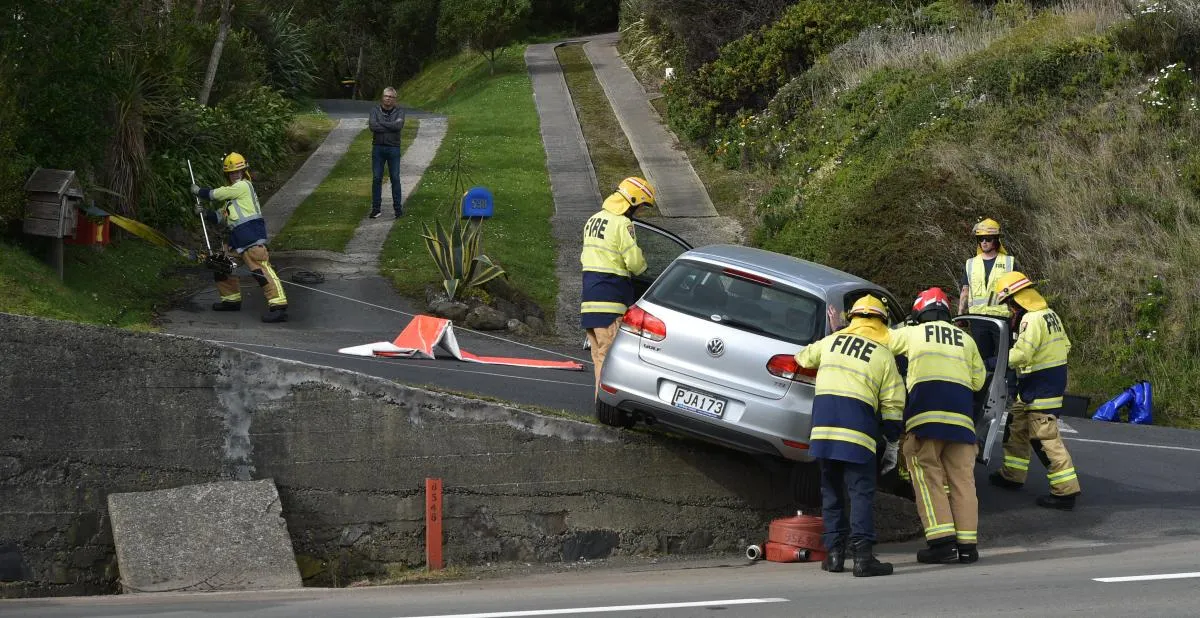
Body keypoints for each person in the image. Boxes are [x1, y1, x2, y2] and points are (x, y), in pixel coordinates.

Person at [795, 295, 905, 577]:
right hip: (858, 436)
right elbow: (893, 403)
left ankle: (834, 555)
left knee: (831, 493)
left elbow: (802, 357)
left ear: (852, 319)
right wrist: (892, 439)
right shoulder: (882, 355)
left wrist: (834, 334)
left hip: (824, 433)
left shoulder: (831, 343)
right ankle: (863, 558)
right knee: (860, 495)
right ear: (882, 322)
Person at [887, 288, 987, 564]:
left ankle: (941, 544)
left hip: (925, 419)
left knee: (928, 477)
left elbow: (880, 341)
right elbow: (979, 382)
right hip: (962, 425)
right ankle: (967, 547)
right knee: (963, 483)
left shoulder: (913, 333)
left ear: (920, 313)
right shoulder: (966, 341)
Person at [988, 272, 1081, 510]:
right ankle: (1012, 475)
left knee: (1045, 438)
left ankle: (1065, 492)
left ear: (1018, 299)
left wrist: (993, 362)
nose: (1009, 309)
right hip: (1039, 385)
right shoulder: (1050, 315)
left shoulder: (1032, 320)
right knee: (1016, 426)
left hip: (1041, 387)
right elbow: (1066, 345)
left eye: (1009, 303)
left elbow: (1023, 354)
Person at [191, 152, 289, 323]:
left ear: (244, 172)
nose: (235, 175)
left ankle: (278, 306)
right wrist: (205, 213)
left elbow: (217, 194)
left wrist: (200, 191)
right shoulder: (232, 199)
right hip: (237, 239)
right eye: (232, 173)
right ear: (227, 174)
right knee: (222, 264)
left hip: (251, 236)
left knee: (259, 269)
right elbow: (220, 216)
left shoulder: (243, 186)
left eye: (238, 171)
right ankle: (231, 300)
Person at [580, 177, 653, 396]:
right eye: (640, 207)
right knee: (610, 362)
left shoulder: (593, 220)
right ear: (632, 201)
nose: (639, 212)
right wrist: (645, 265)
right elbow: (635, 263)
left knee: (599, 359)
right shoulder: (622, 224)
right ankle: (607, 409)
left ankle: (599, 404)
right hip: (611, 302)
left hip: (590, 303)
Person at [958, 218, 1019, 362]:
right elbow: (965, 291)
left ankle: (1006, 384)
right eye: (980, 239)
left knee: (1003, 360)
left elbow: (1017, 291)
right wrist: (961, 314)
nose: (984, 242)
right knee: (981, 361)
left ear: (996, 240)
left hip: (1001, 319)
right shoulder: (971, 263)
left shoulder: (1009, 262)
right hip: (978, 320)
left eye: (988, 238)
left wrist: (1017, 316)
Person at [369, 87, 405, 219]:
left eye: (391, 97)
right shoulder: (374, 110)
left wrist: (381, 124)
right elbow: (373, 126)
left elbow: (398, 127)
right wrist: (390, 125)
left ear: (395, 99)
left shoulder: (400, 111)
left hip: (393, 148)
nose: (388, 99)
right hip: (378, 148)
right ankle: (376, 209)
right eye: (386, 96)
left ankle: (398, 209)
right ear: (382, 97)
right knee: (376, 178)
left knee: (395, 178)